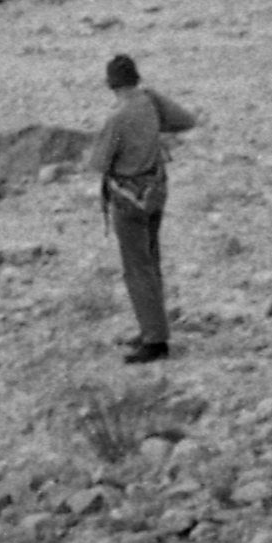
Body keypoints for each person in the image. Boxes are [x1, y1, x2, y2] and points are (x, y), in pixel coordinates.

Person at [83, 52, 195, 362]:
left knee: (137, 268)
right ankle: (151, 326)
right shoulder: (149, 102)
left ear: (111, 85)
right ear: (136, 78)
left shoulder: (117, 119)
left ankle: (155, 340)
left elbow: (99, 163)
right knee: (151, 260)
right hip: (156, 190)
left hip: (127, 199)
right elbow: (186, 120)